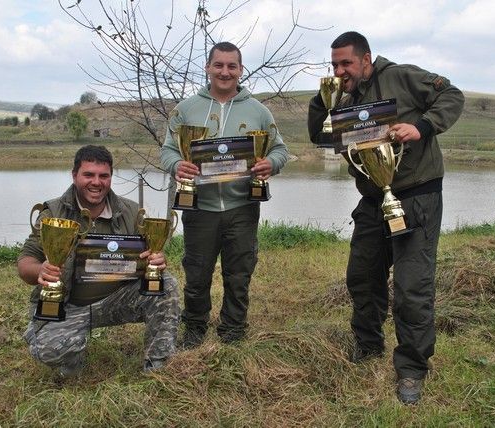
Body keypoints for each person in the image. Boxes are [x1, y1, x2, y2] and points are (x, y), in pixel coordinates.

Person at [308, 32, 464, 404]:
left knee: (412, 287)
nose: (340, 71)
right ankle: (368, 345)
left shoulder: (401, 77)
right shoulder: (343, 98)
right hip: (373, 199)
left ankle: (411, 369)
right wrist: (322, 100)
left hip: (417, 194)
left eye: (346, 63)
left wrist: (421, 127)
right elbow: (320, 137)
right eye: (334, 65)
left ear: (366, 59)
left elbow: (452, 95)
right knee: (362, 275)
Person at [160, 42, 289, 347]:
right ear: (208, 67)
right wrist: (177, 165)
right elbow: (167, 150)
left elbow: (280, 150)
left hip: (242, 206)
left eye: (232, 66)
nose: (225, 72)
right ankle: (194, 328)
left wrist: (271, 163)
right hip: (199, 207)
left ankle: (233, 330)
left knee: (239, 274)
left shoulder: (258, 111)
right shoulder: (185, 109)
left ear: (241, 70)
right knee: (197, 273)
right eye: (218, 65)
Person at [18, 145, 180, 377]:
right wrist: (40, 271)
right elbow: (25, 261)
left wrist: (156, 260)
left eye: (104, 176)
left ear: (111, 177)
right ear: (74, 175)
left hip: (116, 301)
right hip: (67, 305)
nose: (96, 182)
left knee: (166, 285)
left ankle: (157, 365)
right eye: (89, 175)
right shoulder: (52, 213)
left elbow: (148, 255)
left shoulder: (131, 212)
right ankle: (69, 354)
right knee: (49, 350)